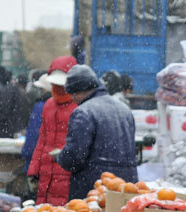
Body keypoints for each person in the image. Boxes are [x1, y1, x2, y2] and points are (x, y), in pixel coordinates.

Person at [57, 64, 137, 201]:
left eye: (72, 94)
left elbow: (74, 157)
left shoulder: (83, 112)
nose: (72, 99)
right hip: (126, 186)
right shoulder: (124, 109)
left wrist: (60, 157)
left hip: (94, 188)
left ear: (78, 91)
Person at [27, 56, 78, 205]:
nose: (58, 88)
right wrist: (33, 170)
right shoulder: (48, 105)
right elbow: (41, 141)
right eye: (55, 84)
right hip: (45, 174)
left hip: (66, 175)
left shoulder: (78, 107)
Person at [21, 72, 52, 173]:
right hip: (51, 159)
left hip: (37, 158)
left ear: (44, 90)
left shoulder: (40, 106)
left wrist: (26, 153)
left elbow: (34, 133)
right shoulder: (60, 106)